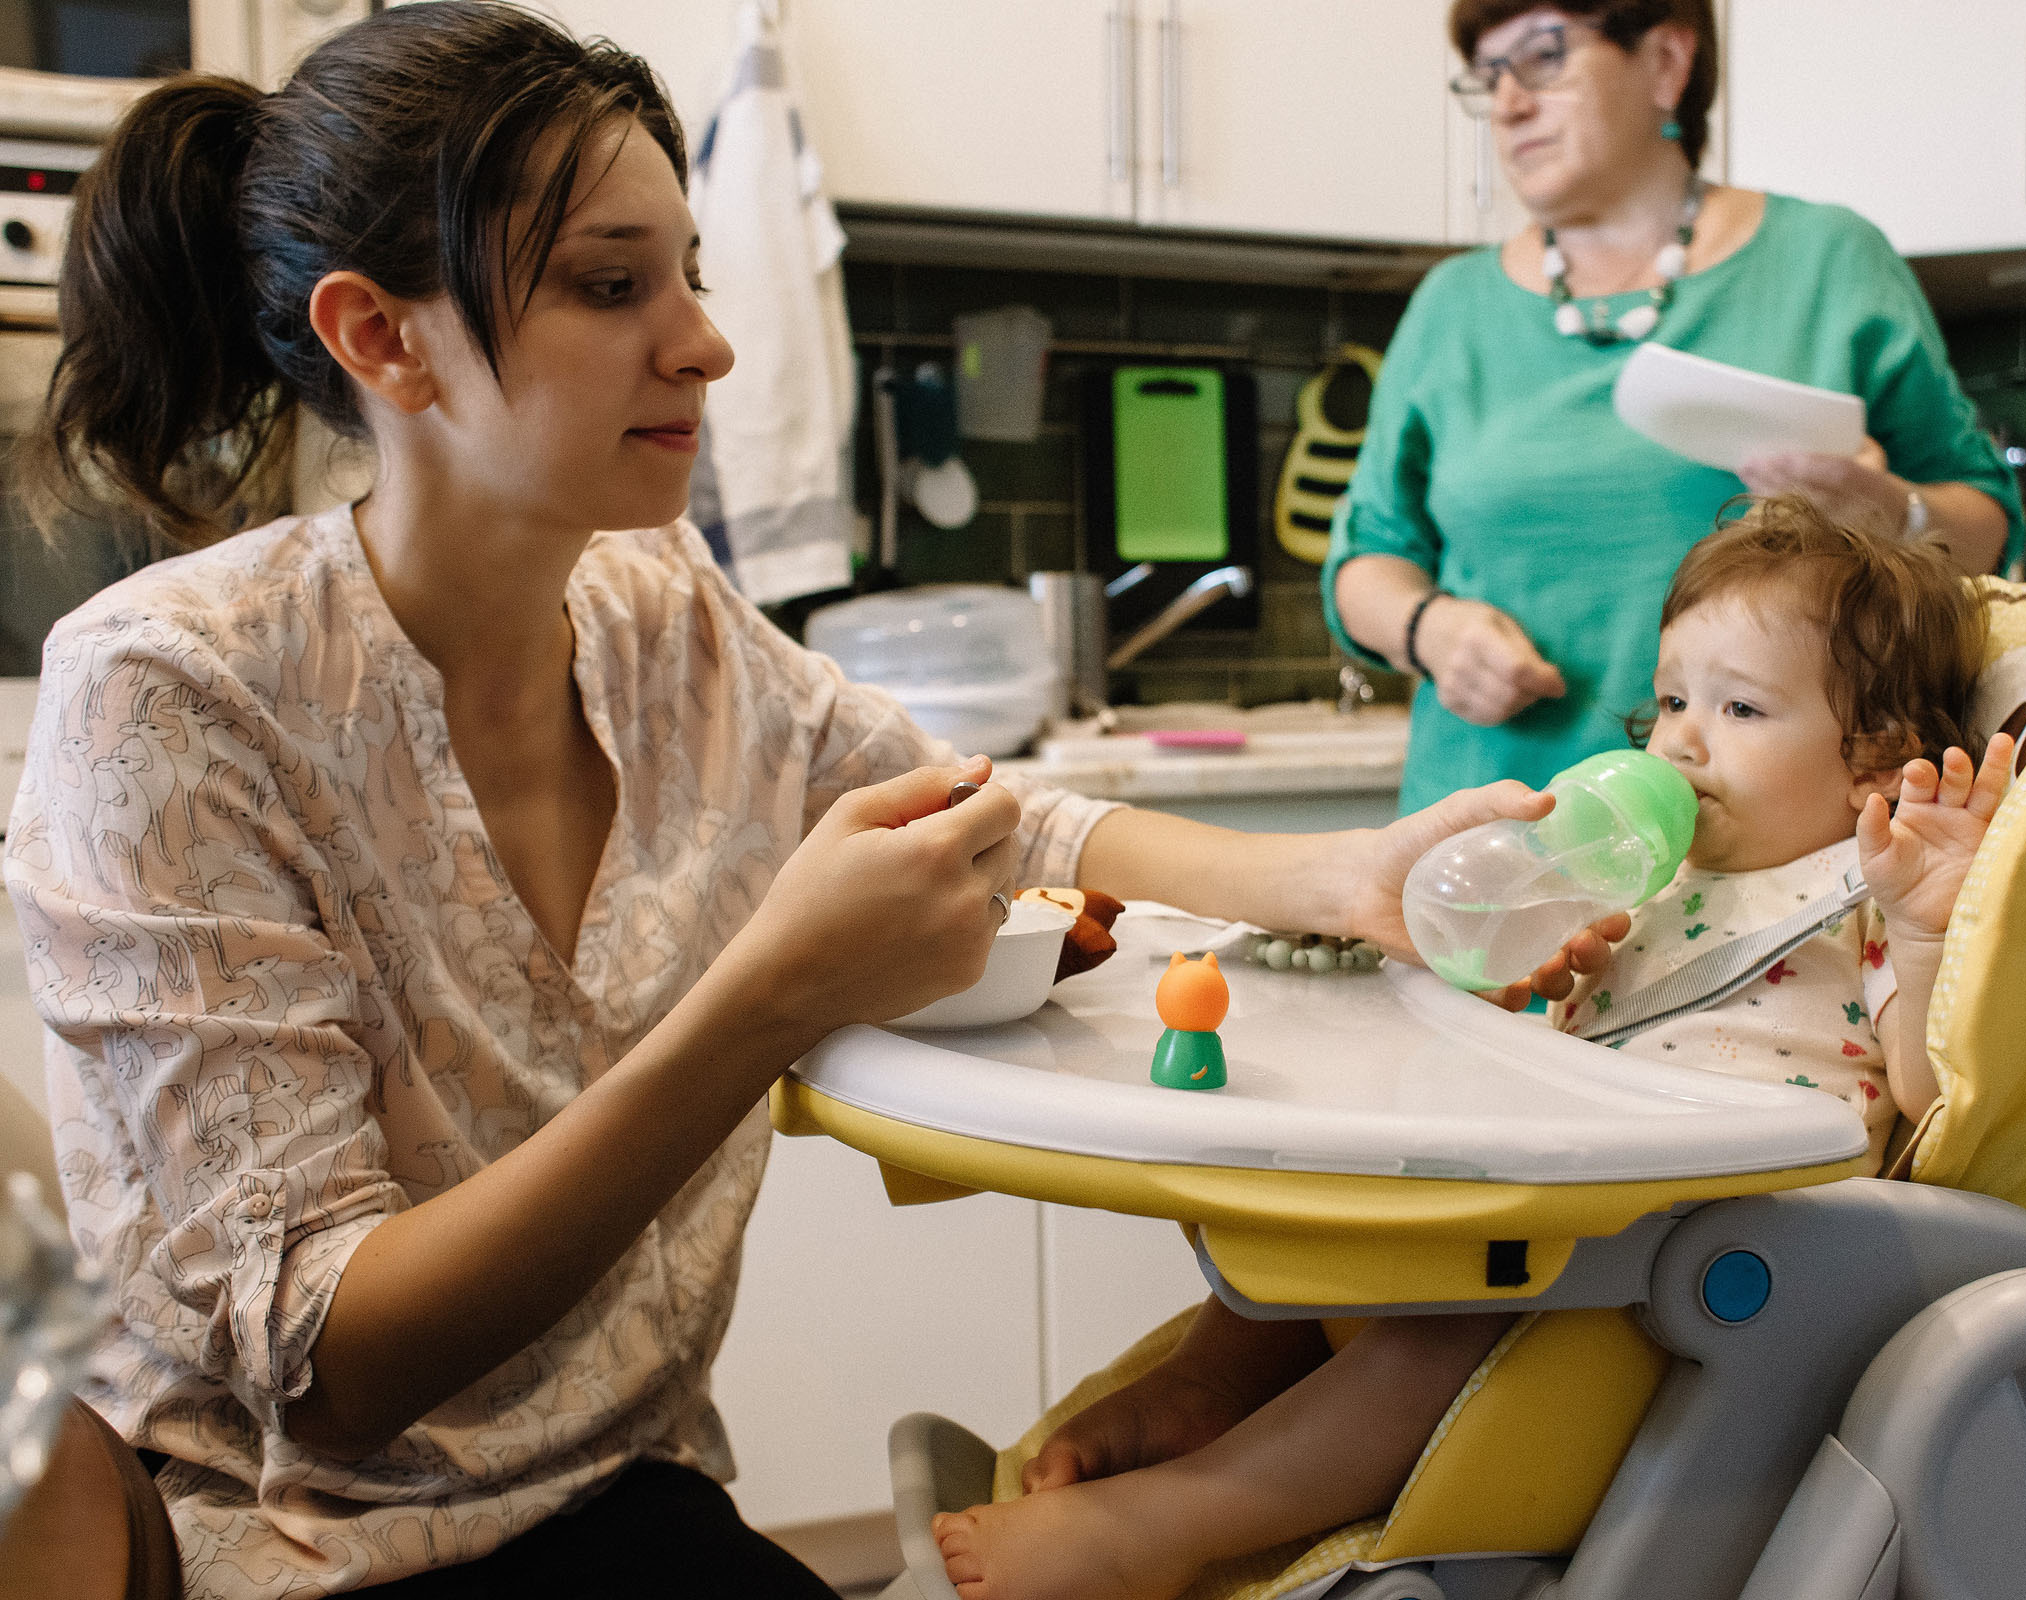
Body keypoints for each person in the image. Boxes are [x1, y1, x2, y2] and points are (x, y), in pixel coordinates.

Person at [2, 8, 1574, 1597]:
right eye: (613, 286)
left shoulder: (656, 609)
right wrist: (766, 1000)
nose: (705, 341)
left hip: (621, 1488)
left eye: (691, 274)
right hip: (307, 1551)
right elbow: (330, 1361)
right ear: (381, 338)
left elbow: (981, 813)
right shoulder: (174, 689)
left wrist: (1337, 880)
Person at [930, 497, 2014, 1600]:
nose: (1682, 738)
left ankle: (1164, 1525)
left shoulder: (1860, 899)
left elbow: (1932, 1110)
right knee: (1343, 1218)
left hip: (1679, 1265)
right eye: (1674, 698)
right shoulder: (1653, 877)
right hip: (1571, 1193)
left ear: (1875, 763)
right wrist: (1529, 955)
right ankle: (1203, 1386)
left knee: (1447, 1328)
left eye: (1739, 707)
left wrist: (1926, 928)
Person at [1326, 0, 2022, 818]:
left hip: (1764, 857)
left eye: (1543, 58)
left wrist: (1894, 512)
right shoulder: (1452, 306)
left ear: (1665, 63)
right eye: (1488, 76)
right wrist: (1430, 631)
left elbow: (1984, 528)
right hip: (1488, 843)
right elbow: (1365, 558)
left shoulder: (1828, 263)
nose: (1508, 105)